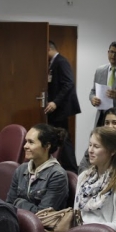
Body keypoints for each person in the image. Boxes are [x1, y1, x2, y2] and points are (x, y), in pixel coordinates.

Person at [75, 126, 116, 232]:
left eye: (96, 146)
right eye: (90, 145)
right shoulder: (84, 177)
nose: (90, 151)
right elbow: (76, 215)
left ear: (112, 151)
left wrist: (85, 227)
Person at [6, 124, 69, 213]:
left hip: (42, 226)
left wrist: (19, 202)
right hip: (17, 221)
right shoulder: (21, 170)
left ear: (47, 146)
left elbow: (42, 214)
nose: (25, 146)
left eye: (31, 142)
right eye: (26, 141)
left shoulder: (57, 175)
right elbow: (8, 204)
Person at [45, 40, 81, 172]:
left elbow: (68, 83)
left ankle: (72, 170)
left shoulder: (61, 61)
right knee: (60, 138)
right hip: (56, 109)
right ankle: (66, 167)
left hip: (61, 108)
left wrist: (55, 102)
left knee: (64, 139)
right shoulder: (53, 63)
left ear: (48, 49)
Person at [78, 107, 116, 174]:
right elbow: (82, 167)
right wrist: (90, 177)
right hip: (91, 180)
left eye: (114, 123)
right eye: (107, 123)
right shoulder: (96, 143)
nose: (110, 126)